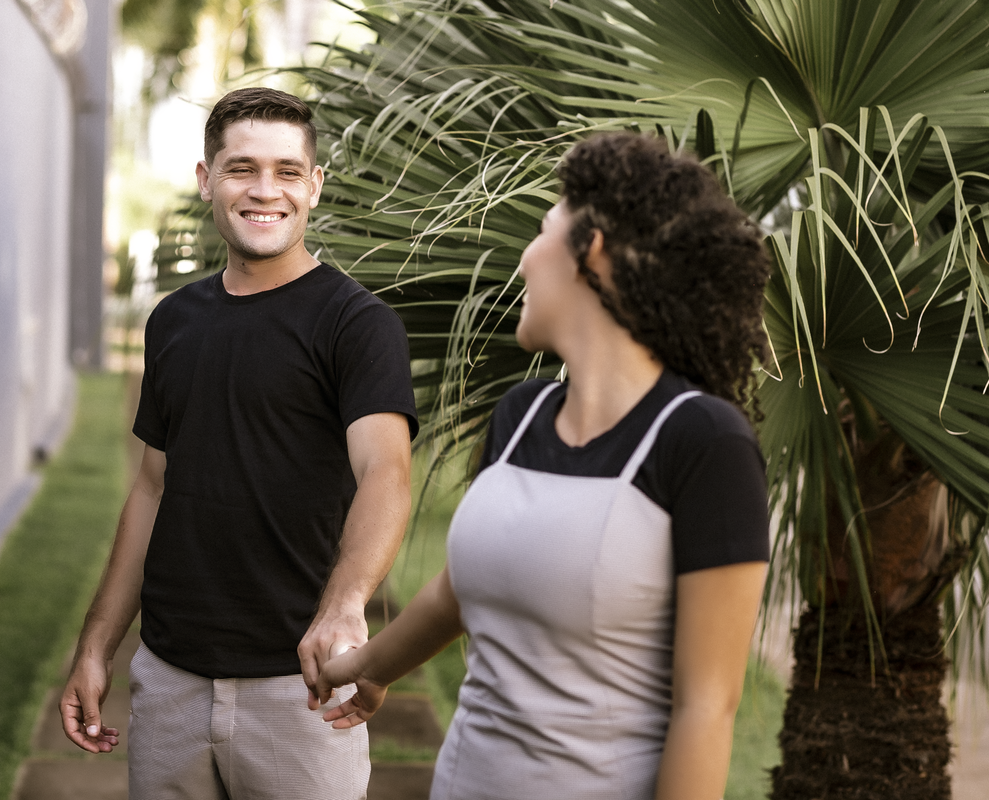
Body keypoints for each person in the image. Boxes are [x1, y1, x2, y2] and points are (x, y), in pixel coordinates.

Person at [311, 133, 772, 800]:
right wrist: (368, 666)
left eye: (541, 230)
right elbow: (464, 587)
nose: (524, 260)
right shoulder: (522, 413)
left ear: (592, 250)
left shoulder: (703, 442)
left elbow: (707, 709)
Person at [59, 86, 419, 800]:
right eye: (241, 168)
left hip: (303, 689)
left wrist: (347, 608)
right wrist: (96, 646)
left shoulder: (358, 324)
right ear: (206, 180)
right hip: (169, 680)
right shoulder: (174, 322)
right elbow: (154, 486)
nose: (265, 190)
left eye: (288, 171)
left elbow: (386, 471)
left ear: (315, 186)